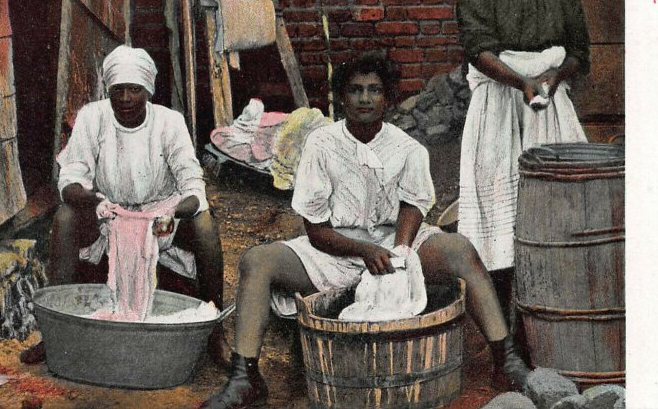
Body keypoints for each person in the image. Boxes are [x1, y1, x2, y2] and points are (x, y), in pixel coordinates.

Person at [201, 53, 529, 409]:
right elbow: (315, 229)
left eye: (374, 90)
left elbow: (413, 205)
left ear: (387, 98)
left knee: (460, 249)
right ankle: (244, 377)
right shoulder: (321, 145)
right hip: (334, 250)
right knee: (257, 260)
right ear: (343, 98)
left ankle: (505, 359)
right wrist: (362, 250)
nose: (365, 99)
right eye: (355, 90)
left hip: (394, 247)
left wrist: (401, 251)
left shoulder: (408, 149)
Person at [20, 45, 230, 366]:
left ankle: (216, 332)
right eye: (118, 90)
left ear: (148, 91)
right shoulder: (93, 117)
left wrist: (171, 212)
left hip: (159, 220)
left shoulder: (169, 123)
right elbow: (71, 178)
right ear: (109, 91)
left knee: (203, 225)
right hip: (110, 217)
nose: (127, 99)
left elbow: (193, 189)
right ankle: (53, 328)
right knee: (65, 218)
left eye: (135, 90)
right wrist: (94, 200)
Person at [456, 0, 590, 359]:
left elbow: (577, 50)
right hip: (498, 102)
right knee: (499, 207)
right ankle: (505, 340)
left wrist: (552, 78)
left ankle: (546, 326)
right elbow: (477, 49)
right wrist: (521, 81)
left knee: (553, 207)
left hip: (547, 105)